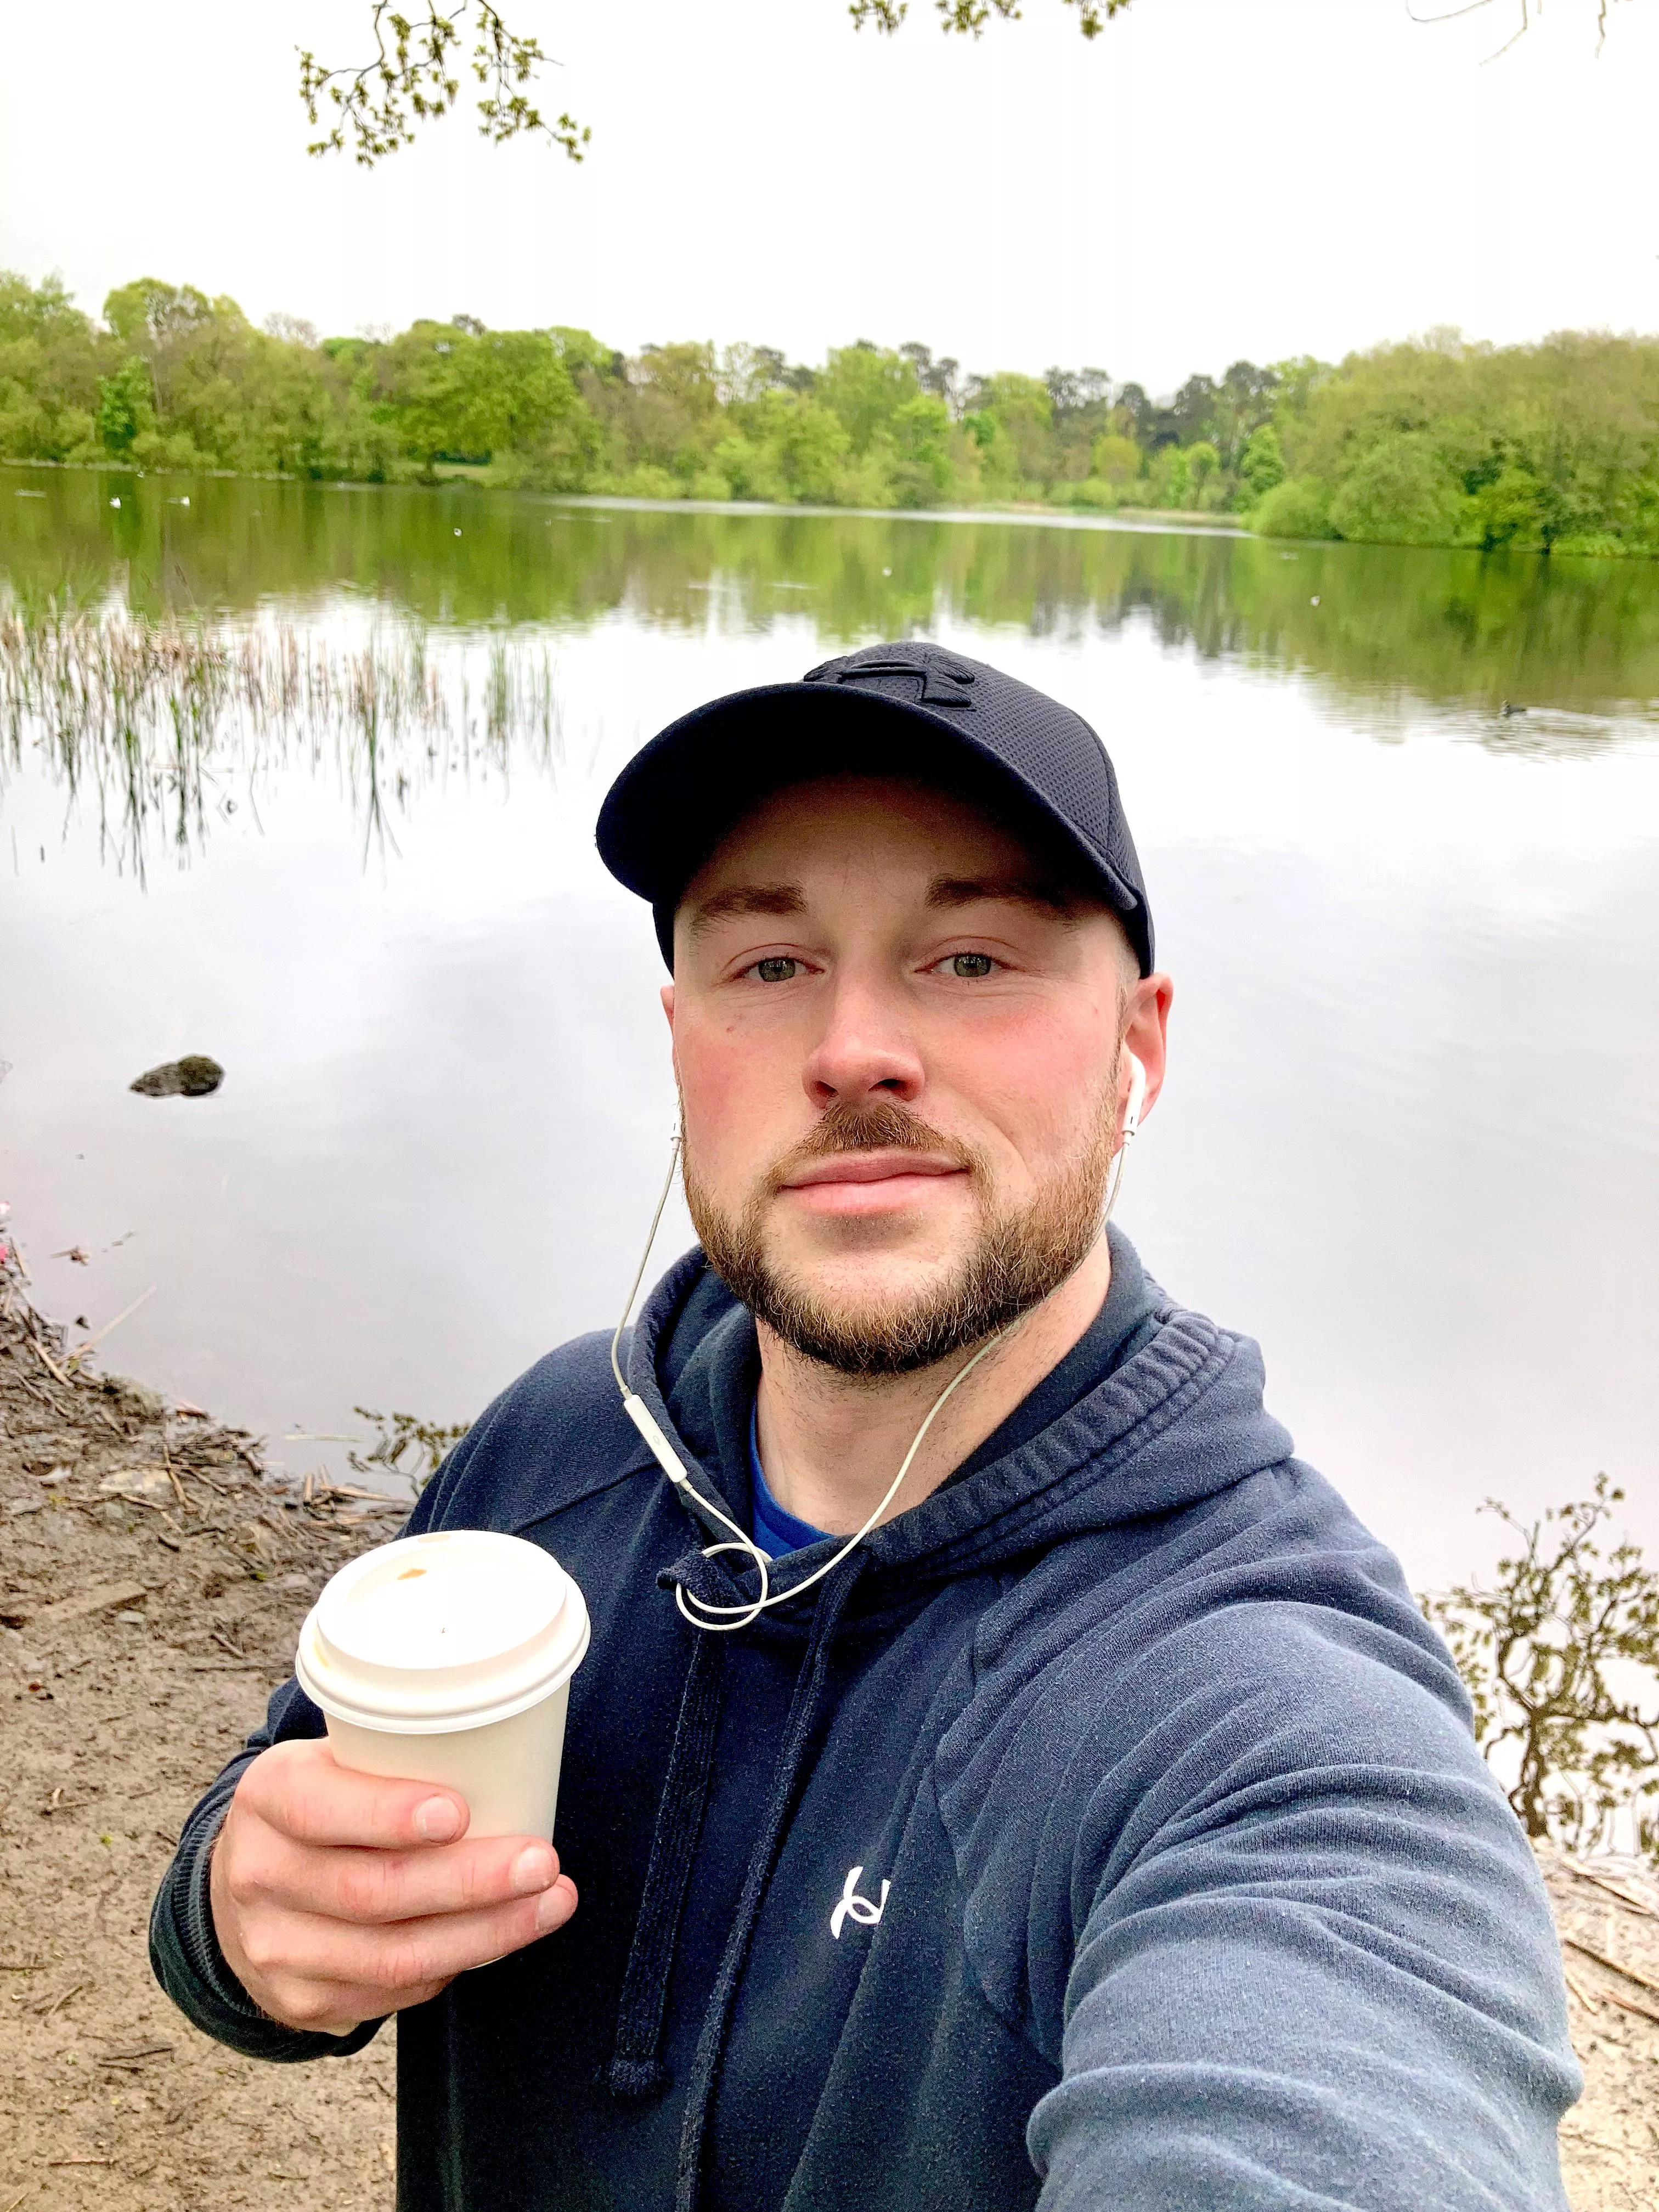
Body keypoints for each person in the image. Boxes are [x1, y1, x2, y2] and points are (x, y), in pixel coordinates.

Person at [153, 639, 1578, 2211]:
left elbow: (1336, 2080)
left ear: (1140, 1047)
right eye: (770, 966)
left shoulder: (1251, 1711)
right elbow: (278, 1827)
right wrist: (242, 1917)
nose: (852, 1051)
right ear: (680, 1037)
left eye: (971, 958)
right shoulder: (555, 1451)